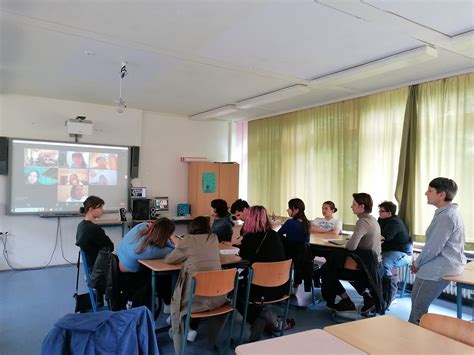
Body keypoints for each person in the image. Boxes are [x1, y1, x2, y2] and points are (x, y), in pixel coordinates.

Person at [164, 216, 228, 354]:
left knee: (176, 306)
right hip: (219, 299)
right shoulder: (213, 238)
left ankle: (178, 346)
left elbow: (169, 260)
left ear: (191, 227)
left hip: (193, 301)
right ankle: (211, 342)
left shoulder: (186, 240)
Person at [408, 178, 466, 325]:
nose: (426, 193)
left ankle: (414, 339)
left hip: (439, 267)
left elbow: (433, 248)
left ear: (441, 195)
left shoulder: (447, 216)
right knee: (416, 303)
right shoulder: (445, 213)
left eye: (430, 191)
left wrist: (418, 263)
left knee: (419, 307)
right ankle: (410, 333)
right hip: (435, 265)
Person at [321, 193, 382, 313]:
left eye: (354, 204)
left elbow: (352, 246)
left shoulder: (362, 222)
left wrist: (346, 244)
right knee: (338, 266)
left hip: (363, 268)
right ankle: (367, 298)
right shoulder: (373, 220)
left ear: (362, 206)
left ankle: (346, 301)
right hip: (371, 266)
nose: (351, 206)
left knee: (326, 270)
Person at [237, 206, 286, 342]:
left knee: (233, 290)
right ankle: (265, 316)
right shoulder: (274, 235)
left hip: (258, 290)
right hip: (280, 287)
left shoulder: (250, 238)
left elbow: (243, 256)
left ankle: (256, 317)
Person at [117, 218, 176, 309]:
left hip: (119, 262)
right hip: (131, 273)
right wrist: (173, 242)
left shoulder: (141, 226)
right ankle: (168, 304)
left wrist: (167, 240)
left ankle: (166, 303)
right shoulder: (145, 251)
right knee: (164, 275)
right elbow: (173, 251)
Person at [75, 196, 114, 272]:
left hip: (90, 265)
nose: (103, 211)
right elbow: (111, 247)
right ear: (91, 209)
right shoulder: (94, 229)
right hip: (99, 268)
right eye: (100, 208)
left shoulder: (81, 225)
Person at [378, 201, 412, 276]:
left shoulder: (394, 222)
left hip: (401, 251)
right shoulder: (381, 219)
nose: (379, 212)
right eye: (379, 210)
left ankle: (388, 286)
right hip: (388, 249)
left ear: (389, 213)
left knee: (383, 265)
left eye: (381, 211)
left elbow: (381, 238)